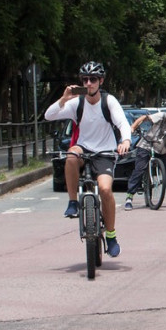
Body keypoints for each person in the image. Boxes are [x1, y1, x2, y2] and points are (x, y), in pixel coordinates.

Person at [44, 62, 131, 257]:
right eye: (85, 80)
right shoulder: (77, 103)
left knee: (106, 190)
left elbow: (123, 123)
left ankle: (111, 235)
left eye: (93, 79)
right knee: (72, 154)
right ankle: (73, 202)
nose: (89, 83)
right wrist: (64, 99)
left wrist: (125, 140)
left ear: (101, 81)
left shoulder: (109, 102)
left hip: (105, 152)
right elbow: (49, 116)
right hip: (84, 149)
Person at [124, 103, 166, 209]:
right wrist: (133, 127)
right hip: (146, 146)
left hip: (160, 150)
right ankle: (129, 198)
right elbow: (144, 118)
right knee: (139, 170)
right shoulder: (164, 116)